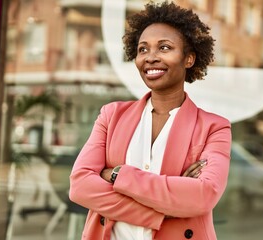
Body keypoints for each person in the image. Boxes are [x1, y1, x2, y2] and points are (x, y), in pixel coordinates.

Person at [69, 1, 232, 239]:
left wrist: (117, 175)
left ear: (189, 59)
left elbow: (203, 196)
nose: (150, 57)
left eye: (164, 48)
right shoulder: (111, 115)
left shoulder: (214, 127)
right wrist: (164, 209)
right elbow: (81, 186)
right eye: (143, 49)